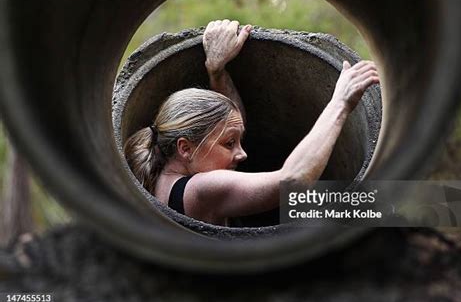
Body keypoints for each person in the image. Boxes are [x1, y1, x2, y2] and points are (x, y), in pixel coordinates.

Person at [124, 19, 379, 226]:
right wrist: (340, 103)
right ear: (185, 148)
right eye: (229, 144)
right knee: (369, 205)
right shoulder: (203, 189)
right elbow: (293, 181)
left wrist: (217, 71)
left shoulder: (161, 179)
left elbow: (228, 124)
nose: (242, 153)